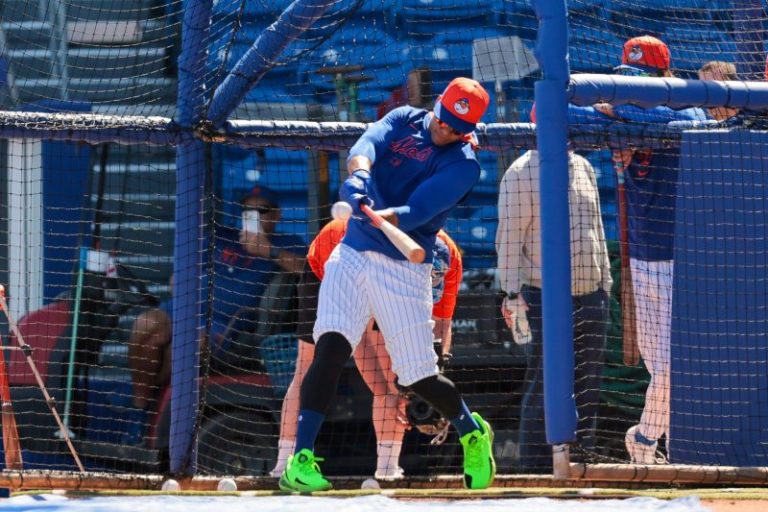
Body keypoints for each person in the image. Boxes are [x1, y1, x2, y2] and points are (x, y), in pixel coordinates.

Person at [278, 76, 494, 492]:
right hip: (353, 253)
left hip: (403, 268)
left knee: (416, 377)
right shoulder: (405, 118)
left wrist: (379, 214)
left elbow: (415, 212)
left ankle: (473, 431)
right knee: (330, 349)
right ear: (438, 106)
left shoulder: (464, 164)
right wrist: (359, 179)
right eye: (444, 120)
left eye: (457, 128)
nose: (446, 130)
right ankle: (300, 461)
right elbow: (366, 146)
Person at [270, 219, 462, 480]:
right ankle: (283, 466)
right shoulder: (383, 260)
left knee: (398, 380)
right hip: (328, 265)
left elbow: (441, 325)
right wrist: (392, 390)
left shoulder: (450, 259)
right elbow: (359, 340)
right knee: (310, 365)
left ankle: (387, 471)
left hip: (377, 265)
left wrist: (433, 386)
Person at [126, 185, 306, 442]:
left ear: (276, 215)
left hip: (228, 326)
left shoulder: (287, 243)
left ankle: (153, 416)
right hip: (184, 308)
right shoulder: (222, 235)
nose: (252, 215)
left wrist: (268, 251)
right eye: (247, 210)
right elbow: (181, 270)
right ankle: (140, 408)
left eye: (261, 210)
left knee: (184, 347)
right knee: (145, 326)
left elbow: (307, 270)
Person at [601, 36, 707, 464]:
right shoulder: (624, 106)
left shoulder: (686, 106)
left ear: (664, 75)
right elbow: (560, 110)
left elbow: (693, 120)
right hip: (640, 257)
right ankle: (656, 443)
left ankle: (644, 441)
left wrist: (622, 110)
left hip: (679, 253)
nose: (634, 88)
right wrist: (621, 115)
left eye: (644, 80)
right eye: (631, 80)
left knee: (672, 367)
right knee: (654, 365)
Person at [495, 148, 612, 472]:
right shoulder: (520, 172)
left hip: (591, 296)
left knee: (588, 386)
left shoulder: (585, 165)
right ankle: (536, 471)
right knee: (544, 387)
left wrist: (606, 284)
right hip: (542, 297)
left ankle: (581, 466)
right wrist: (512, 294)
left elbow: (598, 230)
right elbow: (508, 240)